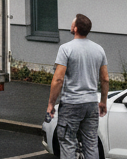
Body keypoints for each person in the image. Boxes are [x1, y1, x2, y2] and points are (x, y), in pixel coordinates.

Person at [46, 14, 109, 159]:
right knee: (91, 143)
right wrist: (103, 102)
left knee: (68, 142)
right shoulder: (99, 49)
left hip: (71, 104)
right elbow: (105, 79)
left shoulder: (66, 49)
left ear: (75, 28)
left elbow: (58, 79)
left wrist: (51, 103)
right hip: (91, 104)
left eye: (72, 22)